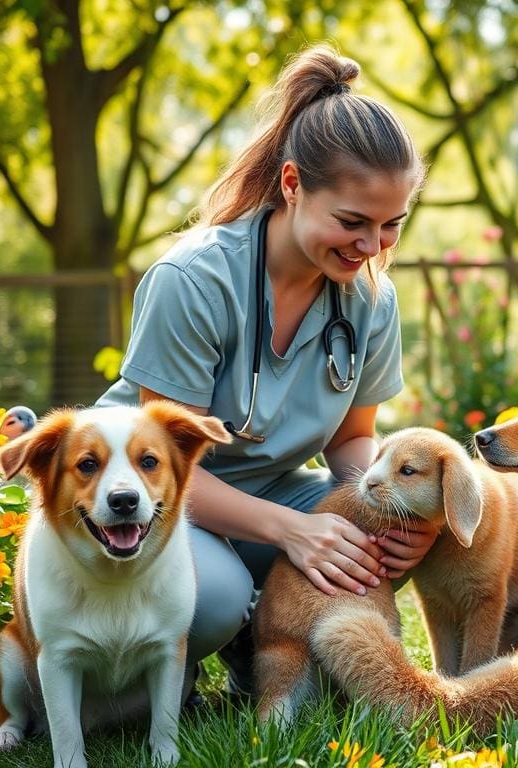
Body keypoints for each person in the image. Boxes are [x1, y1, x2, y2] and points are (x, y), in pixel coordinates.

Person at [97, 43, 436, 693]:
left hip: (264, 491)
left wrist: (392, 512)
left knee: (396, 525)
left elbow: (350, 441)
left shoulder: (370, 298)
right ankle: (212, 639)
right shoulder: (193, 279)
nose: (372, 247)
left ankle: (268, 646)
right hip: (151, 491)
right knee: (214, 600)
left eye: (392, 225)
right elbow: (165, 468)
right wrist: (295, 531)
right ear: (291, 185)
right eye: (352, 222)